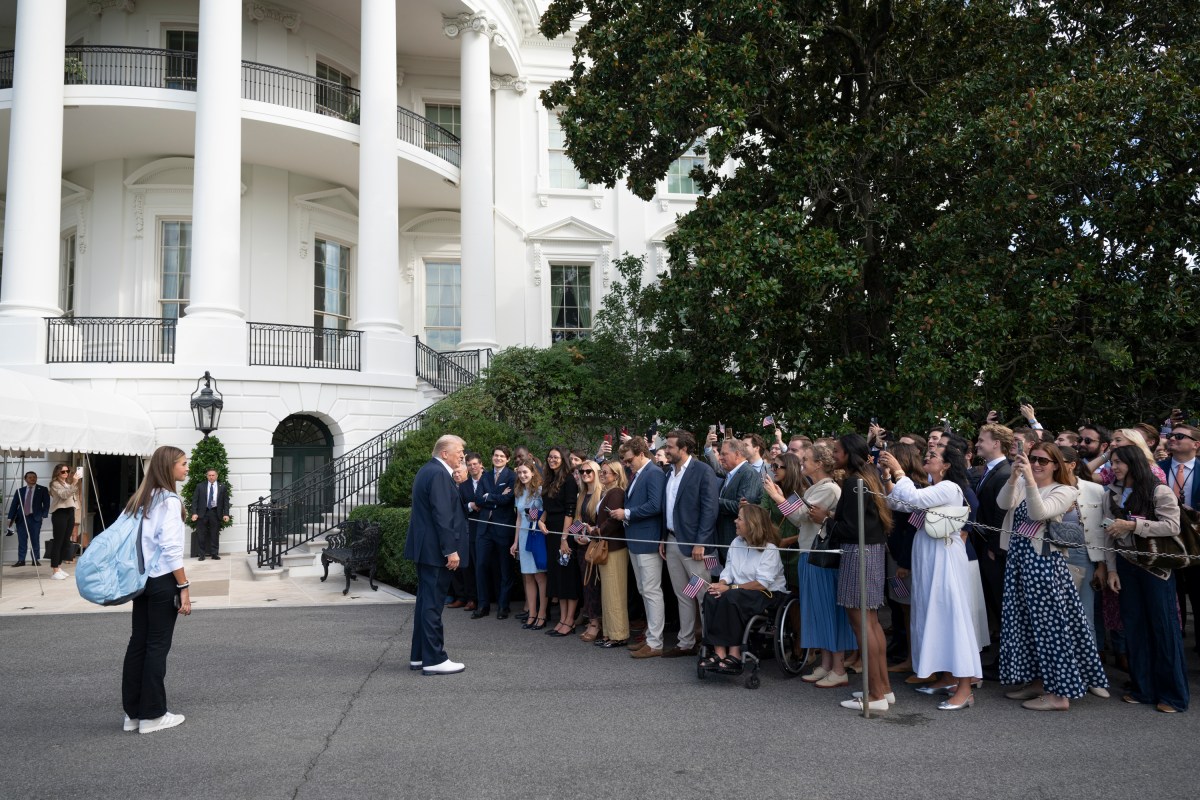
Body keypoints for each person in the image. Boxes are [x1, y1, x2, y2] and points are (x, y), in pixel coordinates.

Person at [998, 442, 1106, 710]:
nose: (1035, 464)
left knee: (1051, 629)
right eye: (1033, 459)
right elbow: (1003, 503)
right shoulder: (1024, 482)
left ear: (1056, 464)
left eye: (1043, 461)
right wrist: (1014, 477)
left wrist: (1031, 483)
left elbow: (1039, 513)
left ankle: (1060, 694)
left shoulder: (1066, 490)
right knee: (1025, 623)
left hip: (1045, 564)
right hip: (1020, 562)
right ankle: (1039, 682)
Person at [882, 444, 981, 711]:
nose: (927, 456)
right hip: (930, 557)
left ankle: (965, 688)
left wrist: (901, 473)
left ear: (947, 465)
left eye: (934, 455)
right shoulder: (932, 488)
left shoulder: (949, 488)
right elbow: (898, 503)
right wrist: (889, 477)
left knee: (951, 617)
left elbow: (913, 499)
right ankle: (947, 678)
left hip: (945, 559)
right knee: (933, 615)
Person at [810, 433, 895, 712]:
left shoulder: (855, 482)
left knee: (862, 625)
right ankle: (883, 689)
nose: (833, 455)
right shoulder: (867, 478)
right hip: (869, 552)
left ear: (848, 453)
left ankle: (876, 695)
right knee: (870, 623)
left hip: (859, 554)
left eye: (836, 450)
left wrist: (825, 519)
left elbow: (852, 528)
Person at [1104, 446, 1189, 712]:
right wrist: (1111, 569)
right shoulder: (1112, 493)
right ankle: (1143, 689)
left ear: (1134, 462)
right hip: (1125, 566)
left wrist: (1133, 525)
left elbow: (1172, 525)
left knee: (1164, 629)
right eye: (1112, 462)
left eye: (1119, 462)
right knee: (1135, 629)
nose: (1114, 467)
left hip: (1156, 569)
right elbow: (1107, 533)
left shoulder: (1158, 490)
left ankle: (1173, 695)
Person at [121, 445, 191, 734]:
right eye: (183, 464)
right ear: (169, 467)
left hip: (141, 581)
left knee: (138, 644)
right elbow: (172, 548)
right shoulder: (169, 501)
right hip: (163, 580)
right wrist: (184, 586)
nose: (187, 468)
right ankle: (153, 715)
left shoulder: (141, 498)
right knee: (156, 647)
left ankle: (133, 714)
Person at [784, 442, 854, 687]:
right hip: (809, 553)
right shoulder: (814, 488)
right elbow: (799, 520)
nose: (802, 463)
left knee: (827, 609)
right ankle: (825, 664)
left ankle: (838, 667)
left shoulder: (829, 489)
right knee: (815, 609)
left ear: (819, 464)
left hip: (822, 557)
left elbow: (798, 517)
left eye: (806, 459)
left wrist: (776, 495)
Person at [404, 434, 469, 676]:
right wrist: (451, 550)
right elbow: (443, 517)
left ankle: (419, 657)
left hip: (426, 550)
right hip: (435, 552)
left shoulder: (428, 470)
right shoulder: (440, 474)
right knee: (431, 605)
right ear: (444, 453)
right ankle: (434, 659)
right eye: (459, 451)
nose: (462, 455)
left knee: (425, 603)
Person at [699, 504, 787, 672]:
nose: (735, 521)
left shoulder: (770, 550)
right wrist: (722, 583)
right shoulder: (736, 542)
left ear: (752, 523)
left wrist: (731, 588)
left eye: (739, 518)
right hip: (738, 590)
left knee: (731, 598)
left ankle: (735, 653)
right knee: (711, 595)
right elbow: (729, 569)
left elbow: (762, 583)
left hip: (766, 593)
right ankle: (719, 652)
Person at [658, 429, 720, 658]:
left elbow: (710, 509)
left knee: (703, 594)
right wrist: (663, 538)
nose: (666, 450)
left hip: (694, 547)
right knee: (682, 594)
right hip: (672, 542)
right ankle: (686, 642)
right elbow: (667, 508)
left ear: (684, 449)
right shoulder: (668, 473)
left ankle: (712, 643)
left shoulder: (702, 471)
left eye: (670, 447)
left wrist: (701, 543)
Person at [610, 437, 667, 658]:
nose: (626, 464)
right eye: (624, 460)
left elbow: (655, 505)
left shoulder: (653, 473)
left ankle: (655, 642)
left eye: (629, 460)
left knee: (652, 591)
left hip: (647, 540)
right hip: (636, 539)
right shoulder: (638, 474)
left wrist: (627, 513)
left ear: (641, 453)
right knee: (645, 590)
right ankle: (651, 637)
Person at [972, 423, 1014, 671]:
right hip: (985, 546)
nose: (977, 443)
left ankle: (1007, 661)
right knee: (994, 605)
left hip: (993, 549)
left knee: (1001, 604)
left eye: (981, 440)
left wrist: (995, 546)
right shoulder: (991, 470)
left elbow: (1002, 512)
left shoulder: (1004, 472)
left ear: (996, 443)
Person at [473, 446, 516, 620]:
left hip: (503, 528)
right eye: (495, 455)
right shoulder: (486, 475)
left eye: (501, 456)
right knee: (481, 566)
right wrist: (496, 496)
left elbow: (509, 499)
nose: (498, 458)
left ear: (507, 459)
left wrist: (488, 496)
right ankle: (482, 605)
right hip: (484, 528)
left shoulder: (512, 476)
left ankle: (503, 606)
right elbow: (477, 499)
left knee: (505, 568)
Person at [542, 446, 581, 637]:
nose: (552, 460)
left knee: (567, 577)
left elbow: (570, 511)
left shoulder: (568, 481)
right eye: (550, 457)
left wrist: (565, 538)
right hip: (550, 532)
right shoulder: (550, 479)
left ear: (563, 459)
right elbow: (546, 506)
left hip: (563, 533)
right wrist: (541, 520)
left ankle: (570, 621)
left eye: (556, 457)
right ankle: (562, 619)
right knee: (557, 576)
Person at [593, 460, 630, 648]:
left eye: (606, 473)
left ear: (616, 475)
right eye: (601, 472)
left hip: (614, 547)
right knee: (607, 593)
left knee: (615, 592)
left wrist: (597, 531)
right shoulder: (607, 491)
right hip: (607, 545)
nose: (602, 475)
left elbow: (613, 521)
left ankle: (619, 634)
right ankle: (609, 633)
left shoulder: (616, 492)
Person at [510, 459, 547, 630]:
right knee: (528, 577)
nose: (523, 475)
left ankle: (542, 614)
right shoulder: (518, 491)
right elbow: (518, 518)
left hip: (536, 535)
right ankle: (531, 613)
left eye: (526, 472)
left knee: (540, 576)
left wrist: (535, 515)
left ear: (533, 473)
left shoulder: (539, 491)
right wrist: (515, 541)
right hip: (524, 535)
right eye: (520, 472)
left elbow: (544, 512)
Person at [713, 438, 763, 563]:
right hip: (725, 540)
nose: (720, 458)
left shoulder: (748, 473)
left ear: (737, 454)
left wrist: (713, 500)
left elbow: (744, 508)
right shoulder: (731, 473)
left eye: (724, 454)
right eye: (720, 454)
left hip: (737, 540)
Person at [574, 459, 607, 641]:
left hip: (596, 545)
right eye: (582, 472)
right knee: (586, 585)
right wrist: (575, 535)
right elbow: (577, 520)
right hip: (582, 545)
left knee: (594, 585)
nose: (585, 474)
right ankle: (592, 619)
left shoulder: (602, 493)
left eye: (589, 471)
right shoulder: (581, 495)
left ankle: (596, 622)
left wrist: (589, 534)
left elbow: (602, 523)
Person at [448, 453, 483, 609]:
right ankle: (460, 596)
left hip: (470, 531)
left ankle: (472, 598)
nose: (456, 474)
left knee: (468, 567)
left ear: (466, 473)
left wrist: (470, 505)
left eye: (459, 472)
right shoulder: (451, 487)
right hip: (453, 531)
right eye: (454, 472)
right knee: (456, 567)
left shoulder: (473, 485)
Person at [8, 471, 49, 567]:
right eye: (30, 477)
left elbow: (46, 504)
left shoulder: (42, 489)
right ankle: (21, 560)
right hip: (21, 519)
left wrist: (43, 515)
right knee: (22, 540)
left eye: (34, 477)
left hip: (35, 518)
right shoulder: (20, 491)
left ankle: (35, 560)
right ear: (25, 479)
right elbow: (14, 505)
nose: (32, 479)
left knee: (35, 539)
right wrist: (10, 518)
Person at [47, 463, 81, 579]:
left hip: (69, 512)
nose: (66, 473)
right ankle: (55, 569)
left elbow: (72, 495)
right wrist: (74, 483)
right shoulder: (54, 484)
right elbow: (64, 495)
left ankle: (58, 566)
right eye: (63, 472)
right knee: (58, 541)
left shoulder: (67, 483)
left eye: (67, 471)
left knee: (66, 541)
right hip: (60, 512)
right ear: (57, 472)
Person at [189, 468, 228, 561]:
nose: (211, 477)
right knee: (201, 534)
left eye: (213, 475)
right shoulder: (200, 486)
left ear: (217, 476)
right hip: (202, 513)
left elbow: (226, 502)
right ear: (207, 476)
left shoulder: (222, 487)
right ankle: (201, 554)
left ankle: (214, 554)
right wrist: (194, 513)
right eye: (209, 475)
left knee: (215, 534)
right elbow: (195, 500)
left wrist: (226, 514)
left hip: (215, 512)